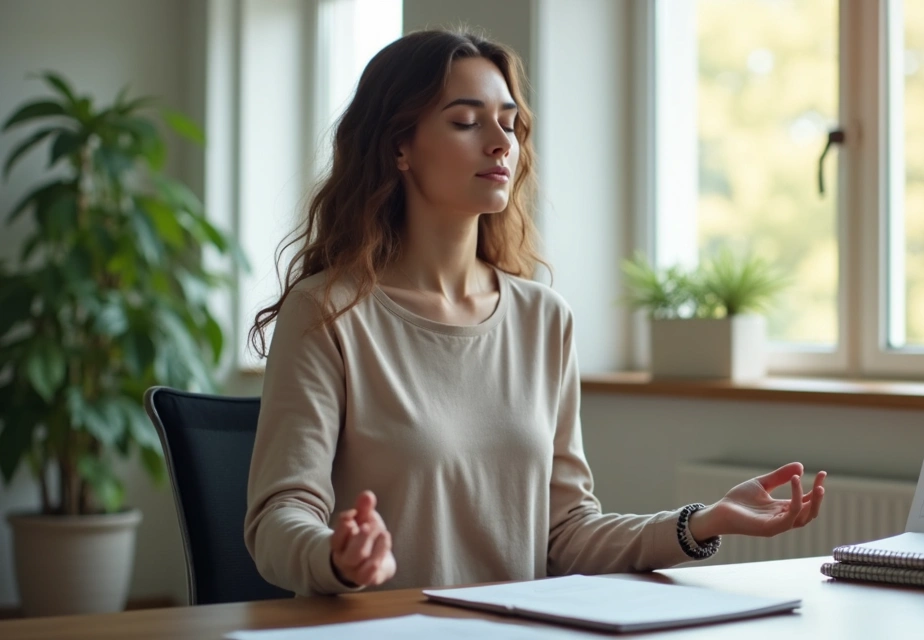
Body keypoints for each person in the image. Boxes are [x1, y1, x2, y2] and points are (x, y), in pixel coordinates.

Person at [243, 28, 828, 596]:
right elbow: (278, 517)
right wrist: (336, 558)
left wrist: (704, 522)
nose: (500, 142)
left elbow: (566, 534)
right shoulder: (328, 312)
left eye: (509, 122)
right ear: (399, 146)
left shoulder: (543, 318)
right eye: (466, 122)